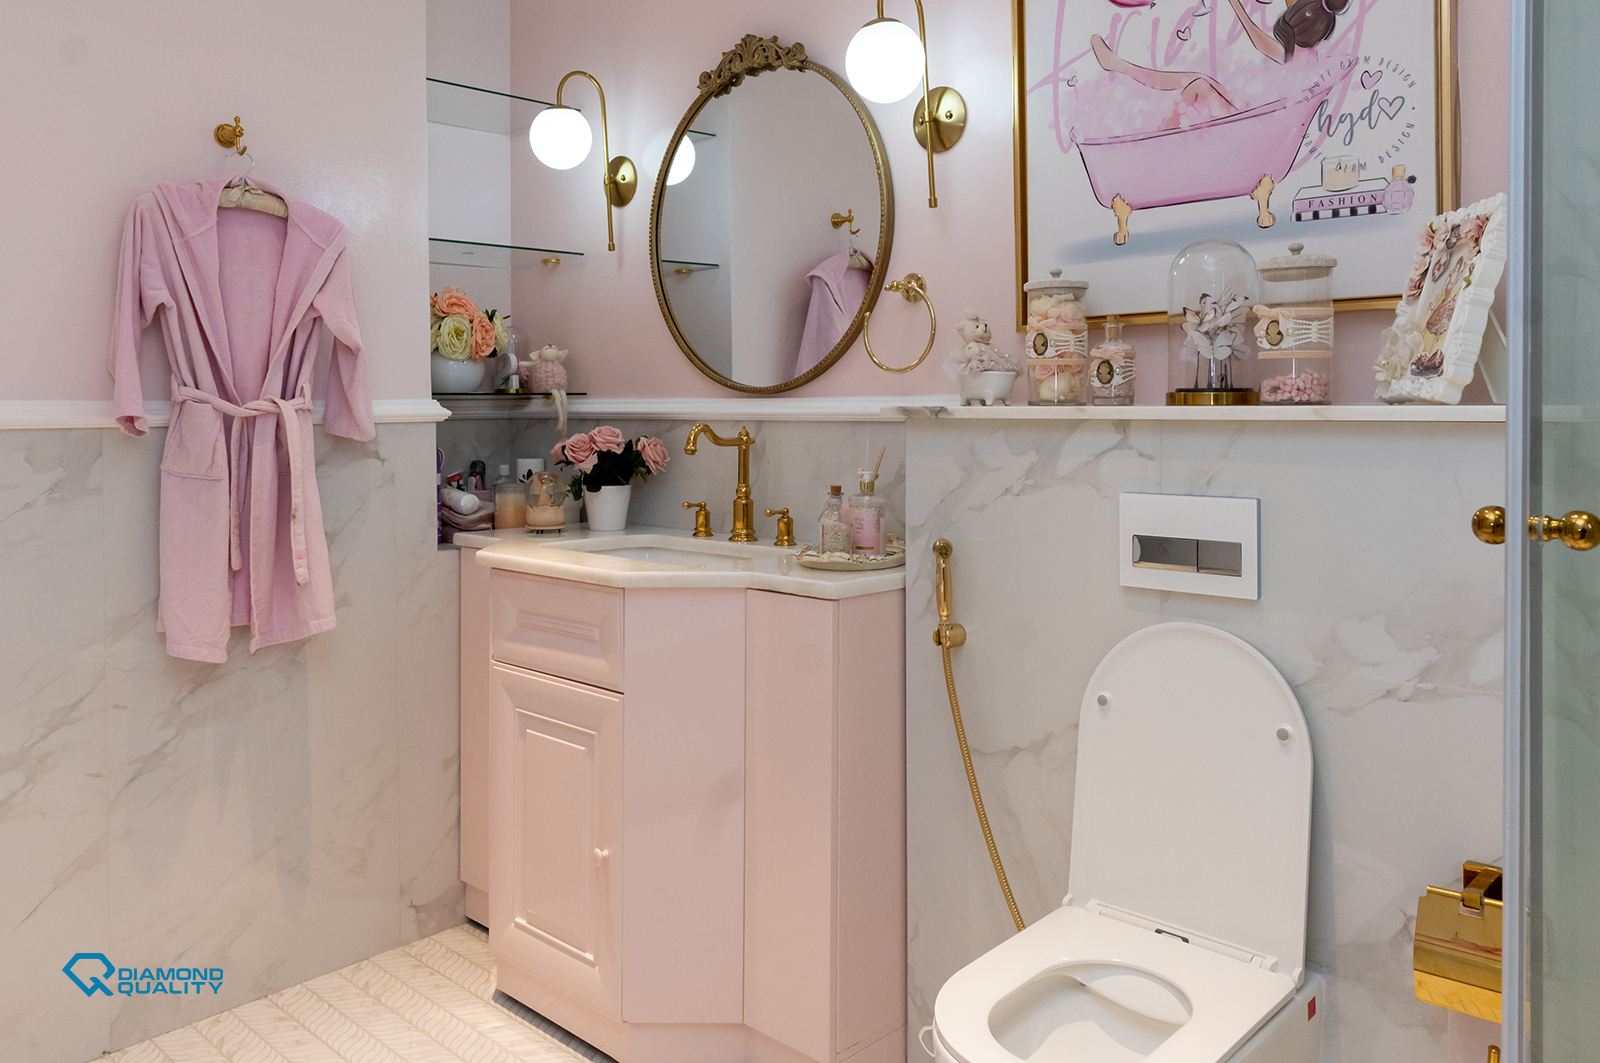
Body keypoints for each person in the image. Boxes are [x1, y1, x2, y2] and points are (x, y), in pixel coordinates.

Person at [1090, 0, 1350, 130]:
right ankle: (1118, 65)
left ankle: (1157, 139)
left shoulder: (1298, 56)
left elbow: (1261, 42)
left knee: (1197, 86)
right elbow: (1291, 14)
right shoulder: (1312, 42)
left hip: (1257, 124)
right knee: (1195, 79)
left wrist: (1235, 4)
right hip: (1258, 114)